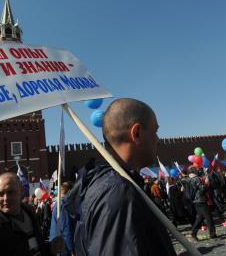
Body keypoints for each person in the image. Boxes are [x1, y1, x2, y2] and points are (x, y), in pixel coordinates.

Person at [66, 98, 177, 255]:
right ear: (136, 133)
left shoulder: (104, 184)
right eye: (155, 131)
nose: (158, 140)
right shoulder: (117, 192)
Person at [0, 172, 62, 256]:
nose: (6, 198)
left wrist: (50, 248)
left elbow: (34, 246)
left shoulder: (30, 213)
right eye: (0, 194)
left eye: (10, 192)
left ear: (21, 190)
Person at [185, 166, 217, 240]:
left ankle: (193, 232)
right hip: (201, 200)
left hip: (195, 201)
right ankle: (212, 234)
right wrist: (206, 183)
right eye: (196, 170)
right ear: (194, 171)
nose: (197, 171)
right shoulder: (196, 179)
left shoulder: (187, 180)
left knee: (200, 217)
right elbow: (202, 190)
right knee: (208, 217)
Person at [49, 182, 74, 256]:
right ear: (69, 191)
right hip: (64, 246)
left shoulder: (59, 203)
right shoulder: (62, 204)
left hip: (58, 243)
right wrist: (71, 249)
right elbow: (66, 228)